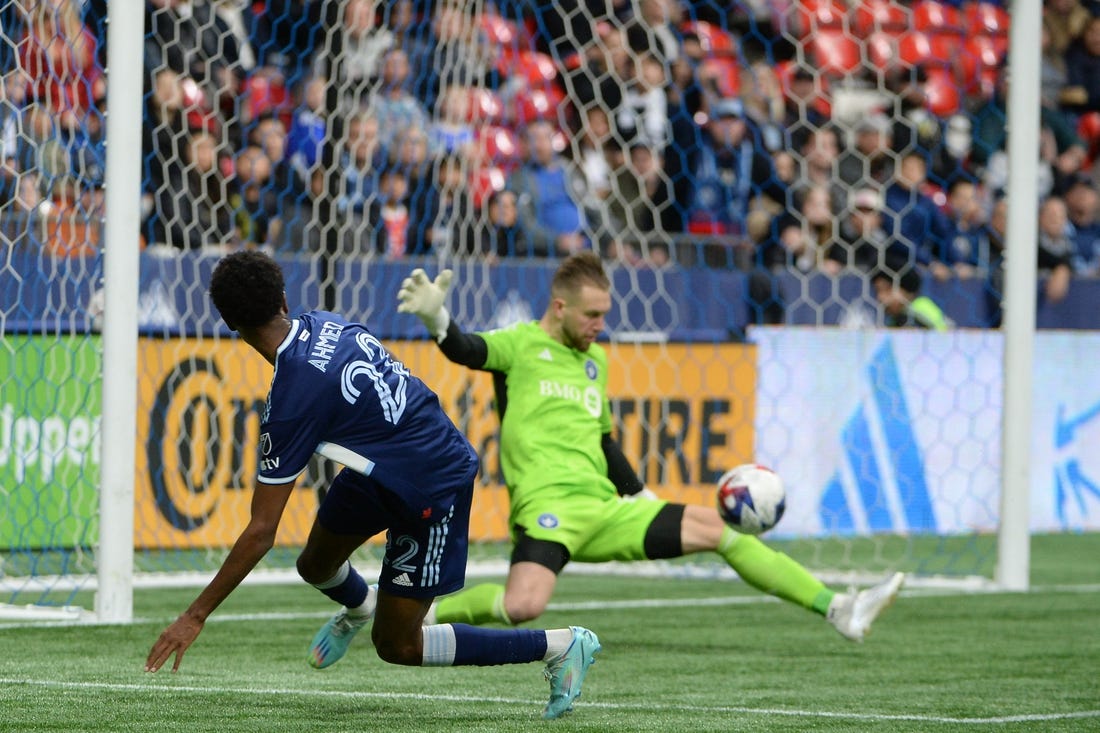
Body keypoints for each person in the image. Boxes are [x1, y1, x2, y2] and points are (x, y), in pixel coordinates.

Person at [144, 251, 601, 721]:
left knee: (399, 644)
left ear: (228, 322)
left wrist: (194, 615)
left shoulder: (292, 401)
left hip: (432, 485)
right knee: (315, 563)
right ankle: (360, 606)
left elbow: (262, 531)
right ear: (284, 298)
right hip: (384, 467)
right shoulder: (324, 322)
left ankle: (560, 646)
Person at [393, 252, 905, 642]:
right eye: (591, 315)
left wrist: (639, 496)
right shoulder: (521, 344)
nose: (600, 325)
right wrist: (439, 322)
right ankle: (422, 609)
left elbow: (604, 440)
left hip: (608, 509)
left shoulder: (595, 363)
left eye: (605, 314)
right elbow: (467, 349)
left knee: (719, 529)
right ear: (560, 307)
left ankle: (838, 609)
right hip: (548, 507)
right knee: (523, 607)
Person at [870, 267, 951, 331]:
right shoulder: (895, 319)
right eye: (877, 291)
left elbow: (943, 331)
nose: (880, 297)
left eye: (887, 290)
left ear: (905, 290)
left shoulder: (920, 306)